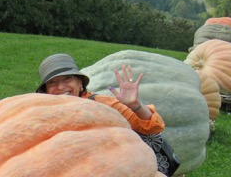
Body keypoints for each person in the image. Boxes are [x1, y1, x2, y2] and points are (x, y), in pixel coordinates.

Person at [36, 53, 165, 134]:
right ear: (46, 91)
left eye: (67, 79)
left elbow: (154, 128)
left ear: (80, 83)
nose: (60, 87)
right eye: (52, 82)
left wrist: (136, 105)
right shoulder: (41, 111)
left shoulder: (103, 105)